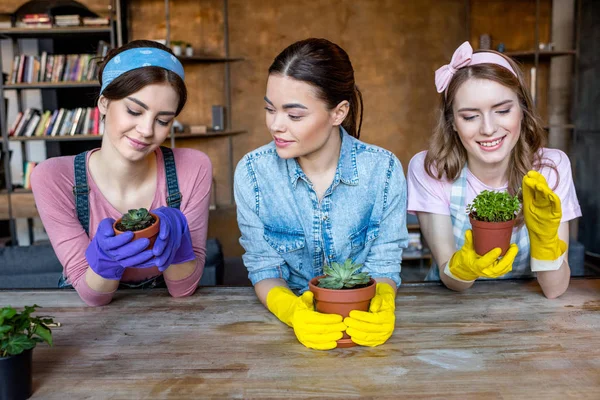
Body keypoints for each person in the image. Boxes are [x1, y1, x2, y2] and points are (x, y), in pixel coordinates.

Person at [234, 38, 408, 350]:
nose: (276, 125)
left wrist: (383, 300)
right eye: (269, 109)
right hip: (288, 343)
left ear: (338, 112)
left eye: (294, 115)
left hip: (361, 328)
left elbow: (384, 264)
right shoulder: (252, 173)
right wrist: (291, 311)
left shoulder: (383, 170)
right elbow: (263, 266)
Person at [31, 40, 212, 306]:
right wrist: (106, 260)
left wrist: (179, 247)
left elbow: (183, 290)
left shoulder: (194, 167)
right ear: (104, 103)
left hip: (170, 320)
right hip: (91, 329)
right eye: (134, 111)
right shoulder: (53, 177)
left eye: (163, 120)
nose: (147, 130)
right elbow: (92, 296)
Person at [407, 41, 581, 298]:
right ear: (452, 122)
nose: (488, 128)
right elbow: (450, 278)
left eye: (502, 110)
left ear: (522, 109)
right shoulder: (431, 171)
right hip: (451, 310)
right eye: (469, 116)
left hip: (528, 310)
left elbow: (554, 290)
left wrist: (546, 243)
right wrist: (463, 268)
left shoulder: (550, 169)